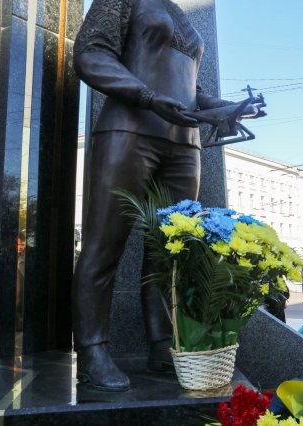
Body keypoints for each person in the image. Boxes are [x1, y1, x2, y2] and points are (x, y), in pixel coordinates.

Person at [72, 0, 238, 391]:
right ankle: (92, 352)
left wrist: (223, 107)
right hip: (129, 131)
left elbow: (191, 90)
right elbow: (90, 53)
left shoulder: (181, 13)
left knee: (170, 254)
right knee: (102, 247)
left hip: (184, 144)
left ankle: (164, 344)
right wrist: (147, 97)